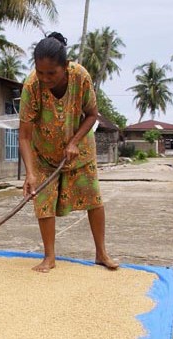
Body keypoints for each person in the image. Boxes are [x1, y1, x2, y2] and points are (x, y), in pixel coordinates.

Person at [18, 32, 118, 273]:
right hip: (43, 154)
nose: (45, 79)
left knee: (93, 198)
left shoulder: (80, 77)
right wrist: (30, 173)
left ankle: (101, 253)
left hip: (79, 150)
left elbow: (92, 114)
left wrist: (74, 142)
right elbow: (24, 136)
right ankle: (49, 257)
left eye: (51, 73)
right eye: (40, 73)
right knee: (43, 201)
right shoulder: (31, 86)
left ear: (65, 66)